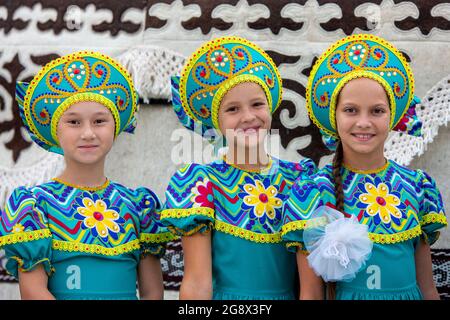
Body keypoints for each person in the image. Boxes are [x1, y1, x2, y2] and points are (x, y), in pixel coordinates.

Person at [282, 34, 447, 300]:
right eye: (351, 110)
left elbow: (427, 288)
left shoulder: (415, 186)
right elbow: (311, 294)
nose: (364, 122)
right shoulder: (314, 192)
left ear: (393, 115)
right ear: (332, 116)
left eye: (377, 111)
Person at [0, 51, 174, 300]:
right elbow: (34, 292)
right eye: (74, 122)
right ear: (54, 131)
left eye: (99, 121)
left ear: (115, 127)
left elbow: (152, 293)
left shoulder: (136, 207)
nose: (88, 133)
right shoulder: (37, 206)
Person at [160, 36, 316, 300]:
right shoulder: (202, 184)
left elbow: (310, 290)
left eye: (257, 104)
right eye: (232, 109)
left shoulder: (297, 182)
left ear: (270, 107)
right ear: (216, 121)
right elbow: (198, 284)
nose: (248, 117)